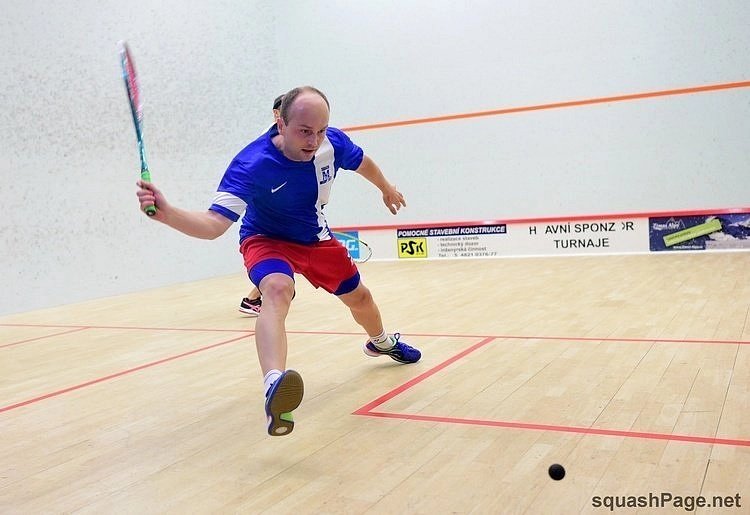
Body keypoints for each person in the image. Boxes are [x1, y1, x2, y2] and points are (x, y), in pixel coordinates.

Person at [136, 86, 421, 437]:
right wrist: (168, 214)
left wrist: (386, 188)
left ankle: (380, 342)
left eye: (320, 130)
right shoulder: (252, 164)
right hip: (266, 239)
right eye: (304, 131)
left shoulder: (332, 143)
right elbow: (213, 226)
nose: (314, 141)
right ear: (280, 123)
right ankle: (274, 383)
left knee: (361, 299)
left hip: (315, 239)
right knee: (276, 288)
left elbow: (363, 163)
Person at [238, 94, 285, 316]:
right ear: (276, 113)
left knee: (285, 259)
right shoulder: (267, 144)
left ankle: (258, 297)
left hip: (283, 214)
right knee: (282, 256)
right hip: (267, 215)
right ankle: (252, 299)